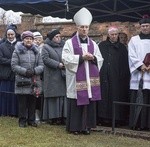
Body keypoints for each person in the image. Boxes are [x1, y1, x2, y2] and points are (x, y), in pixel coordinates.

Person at [62, 7, 103, 135]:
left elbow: (100, 58)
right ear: (77, 28)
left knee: (88, 102)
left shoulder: (94, 44)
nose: (84, 29)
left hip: (89, 79)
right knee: (76, 102)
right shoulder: (69, 43)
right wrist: (81, 58)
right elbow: (65, 58)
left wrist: (94, 58)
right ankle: (74, 127)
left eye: (86, 27)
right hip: (76, 79)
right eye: (82, 27)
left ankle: (86, 127)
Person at [97, 26, 130, 127]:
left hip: (117, 78)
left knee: (115, 96)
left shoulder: (122, 48)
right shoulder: (101, 46)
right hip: (104, 76)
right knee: (104, 97)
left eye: (116, 34)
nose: (114, 36)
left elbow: (125, 65)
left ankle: (116, 119)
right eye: (112, 34)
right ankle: (102, 118)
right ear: (108, 35)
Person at [11, 31, 44, 128]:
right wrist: (25, 71)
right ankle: (22, 121)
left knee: (32, 102)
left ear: (33, 40)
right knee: (22, 103)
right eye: (26, 38)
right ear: (23, 40)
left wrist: (34, 71)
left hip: (34, 80)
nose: (28, 40)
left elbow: (41, 65)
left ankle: (31, 120)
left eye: (30, 39)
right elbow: (14, 66)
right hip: (22, 80)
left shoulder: (37, 51)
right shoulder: (17, 51)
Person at [128, 15, 150, 130]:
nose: (145, 28)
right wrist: (140, 65)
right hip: (139, 74)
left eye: (147, 26)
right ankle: (137, 124)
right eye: (143, 26)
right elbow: (131, 55)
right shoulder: (134, 40)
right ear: (140, 27)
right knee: (139, 98)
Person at [42, 29, 67, 125]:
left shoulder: (64, 46)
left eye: (59, 36)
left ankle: (63, 116)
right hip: (52, 75)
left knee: (63, 96)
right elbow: (45, 59)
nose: (58, 38)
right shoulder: (46, 47)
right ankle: (53, 117)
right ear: (52, 38)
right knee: (53, 97)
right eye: (56, 37)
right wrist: (57, 64)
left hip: (63, 75)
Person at [0, 27, 18, 116]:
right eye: (8, 35)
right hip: (5, 73)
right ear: (6, 35)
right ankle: (4, 111)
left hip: (16, 73)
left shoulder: (19, 45)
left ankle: (14, 112)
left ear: (15, 34)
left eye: (12, 34)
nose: (10, 36)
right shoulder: (1, 46)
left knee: (15, 95)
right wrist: (13, 62)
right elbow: (1, 59)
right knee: (4, 94)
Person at [33, 31, 44, 123]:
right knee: (34, 95)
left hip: (43, 75)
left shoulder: (43, 48)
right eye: (35, 39)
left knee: (40, 95)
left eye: (39, 39)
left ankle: (41, 115)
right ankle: (34, 115)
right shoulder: (31, 49)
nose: (37, 41)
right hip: (33, 74)